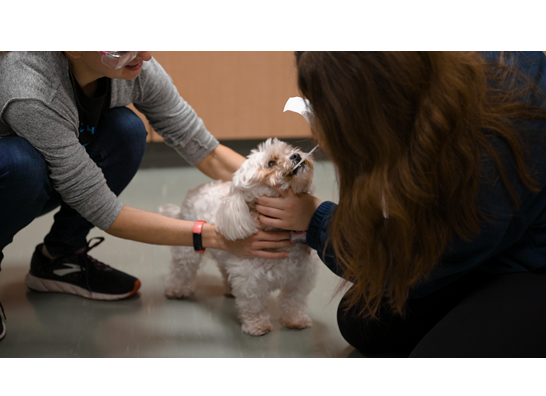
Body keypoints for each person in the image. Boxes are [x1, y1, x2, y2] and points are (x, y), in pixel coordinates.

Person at [256, 51, 546, 358]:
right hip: (493, 240)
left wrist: (316, 219)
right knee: (362, 321)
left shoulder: (493, 142)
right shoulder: (434, 94)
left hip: (533, 259)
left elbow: (414, 264)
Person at [0, 51, 291, 342]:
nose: (146, 54)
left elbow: (206, 150)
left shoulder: (136, 64)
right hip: (13, 178)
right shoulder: (31, 90)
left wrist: (274, 186)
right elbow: (104, 210)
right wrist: (216, 236)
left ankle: (60, 257)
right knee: (22, 165)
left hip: (52, 171)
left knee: (126, 130)